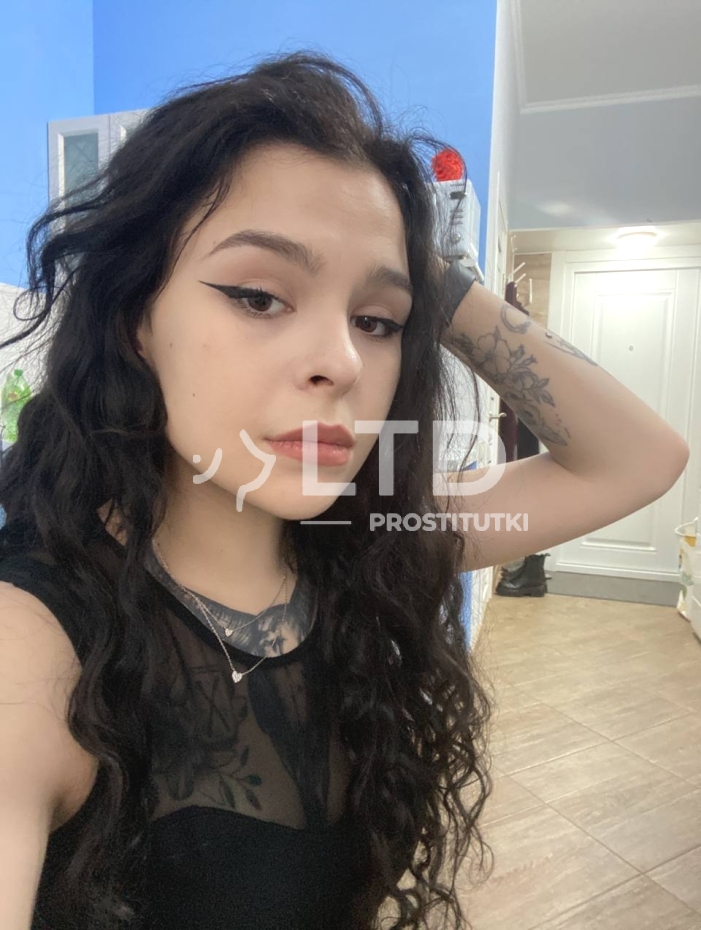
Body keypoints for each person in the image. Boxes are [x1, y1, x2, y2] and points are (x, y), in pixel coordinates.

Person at [0, 49, 688, 930]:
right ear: (137, 318)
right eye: (259, 297)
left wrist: (425, 273)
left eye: (375, 321)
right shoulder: (33, 650)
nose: (341, 361)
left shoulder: (366, 548)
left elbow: (638, 458)